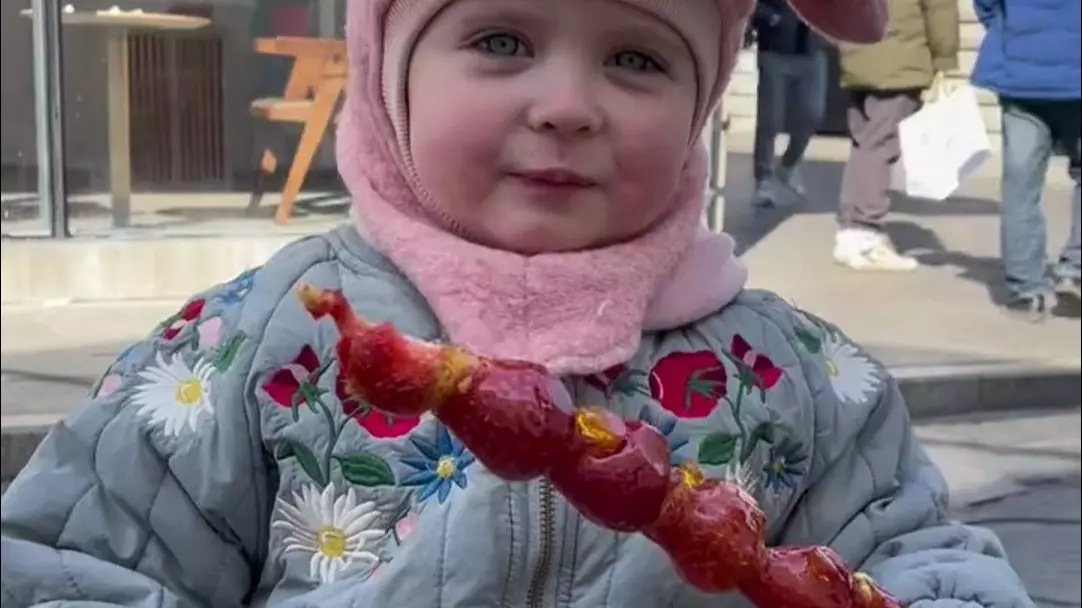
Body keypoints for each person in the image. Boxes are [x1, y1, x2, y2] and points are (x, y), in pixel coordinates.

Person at [1, 1, 1033, 606]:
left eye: (635, 58)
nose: (566, 105)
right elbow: (75, 563)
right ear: (391, 71)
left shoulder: (798, 376)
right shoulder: (256, 342)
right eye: (500, 39)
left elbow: (912, 552)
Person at [971, 0, 1081, 318]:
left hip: (1021, 71)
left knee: (1020, 185)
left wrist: (1014, 30)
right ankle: (1076, 271)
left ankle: (1026, 288)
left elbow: (986, 5)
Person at [833, 0, 959, 271]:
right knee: (880, 146)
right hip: (900, 60)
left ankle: (851, 230)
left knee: (864, 145)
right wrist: (945, 60)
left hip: (857, 58)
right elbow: (940, 8)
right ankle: (865, 232)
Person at [748, 0, 829, 207]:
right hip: (775, 48)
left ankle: (788, 165)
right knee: (770, 118)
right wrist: (771, 17)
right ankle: (764, 179)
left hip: (812, 49)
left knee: (813, 113)